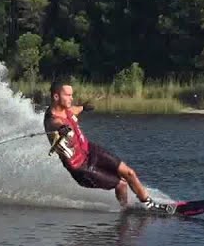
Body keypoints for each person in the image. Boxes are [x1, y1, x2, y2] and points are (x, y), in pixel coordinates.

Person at [43, 80, 164, 210]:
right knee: (121, 184)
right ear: (56, 96)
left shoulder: (68, 110)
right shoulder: (52, 120)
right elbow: (55, 124)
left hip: (90, 150)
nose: (71, 98)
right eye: (68, 95)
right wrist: (62, 128)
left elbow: (75, 110)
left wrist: (84, 107)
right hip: (80, 167)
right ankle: (127, 210)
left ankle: (148, 203)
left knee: (129, 173)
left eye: (72, 95)